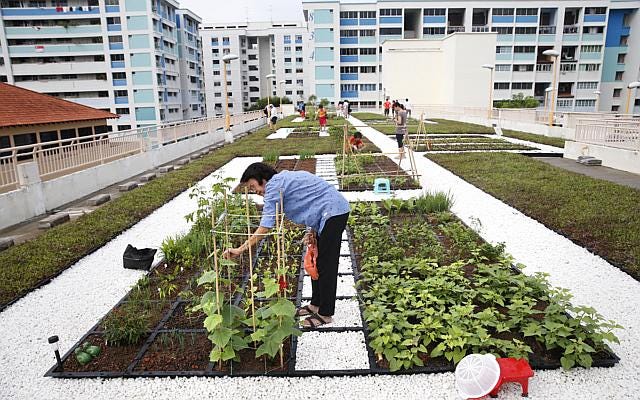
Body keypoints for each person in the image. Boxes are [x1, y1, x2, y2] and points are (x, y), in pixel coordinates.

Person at [223, 163, 350, 328]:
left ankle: (325, 314)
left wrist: (240, 249)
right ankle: (315, 304)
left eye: (253, 186)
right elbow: (313, 198)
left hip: (334, 212)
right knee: (316, 261)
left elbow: (266, 226)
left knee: (326, 264)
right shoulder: (282, 180)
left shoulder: (274, 186)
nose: (256, 192)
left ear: (263, 179)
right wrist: (313, 229)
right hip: (327, 212)